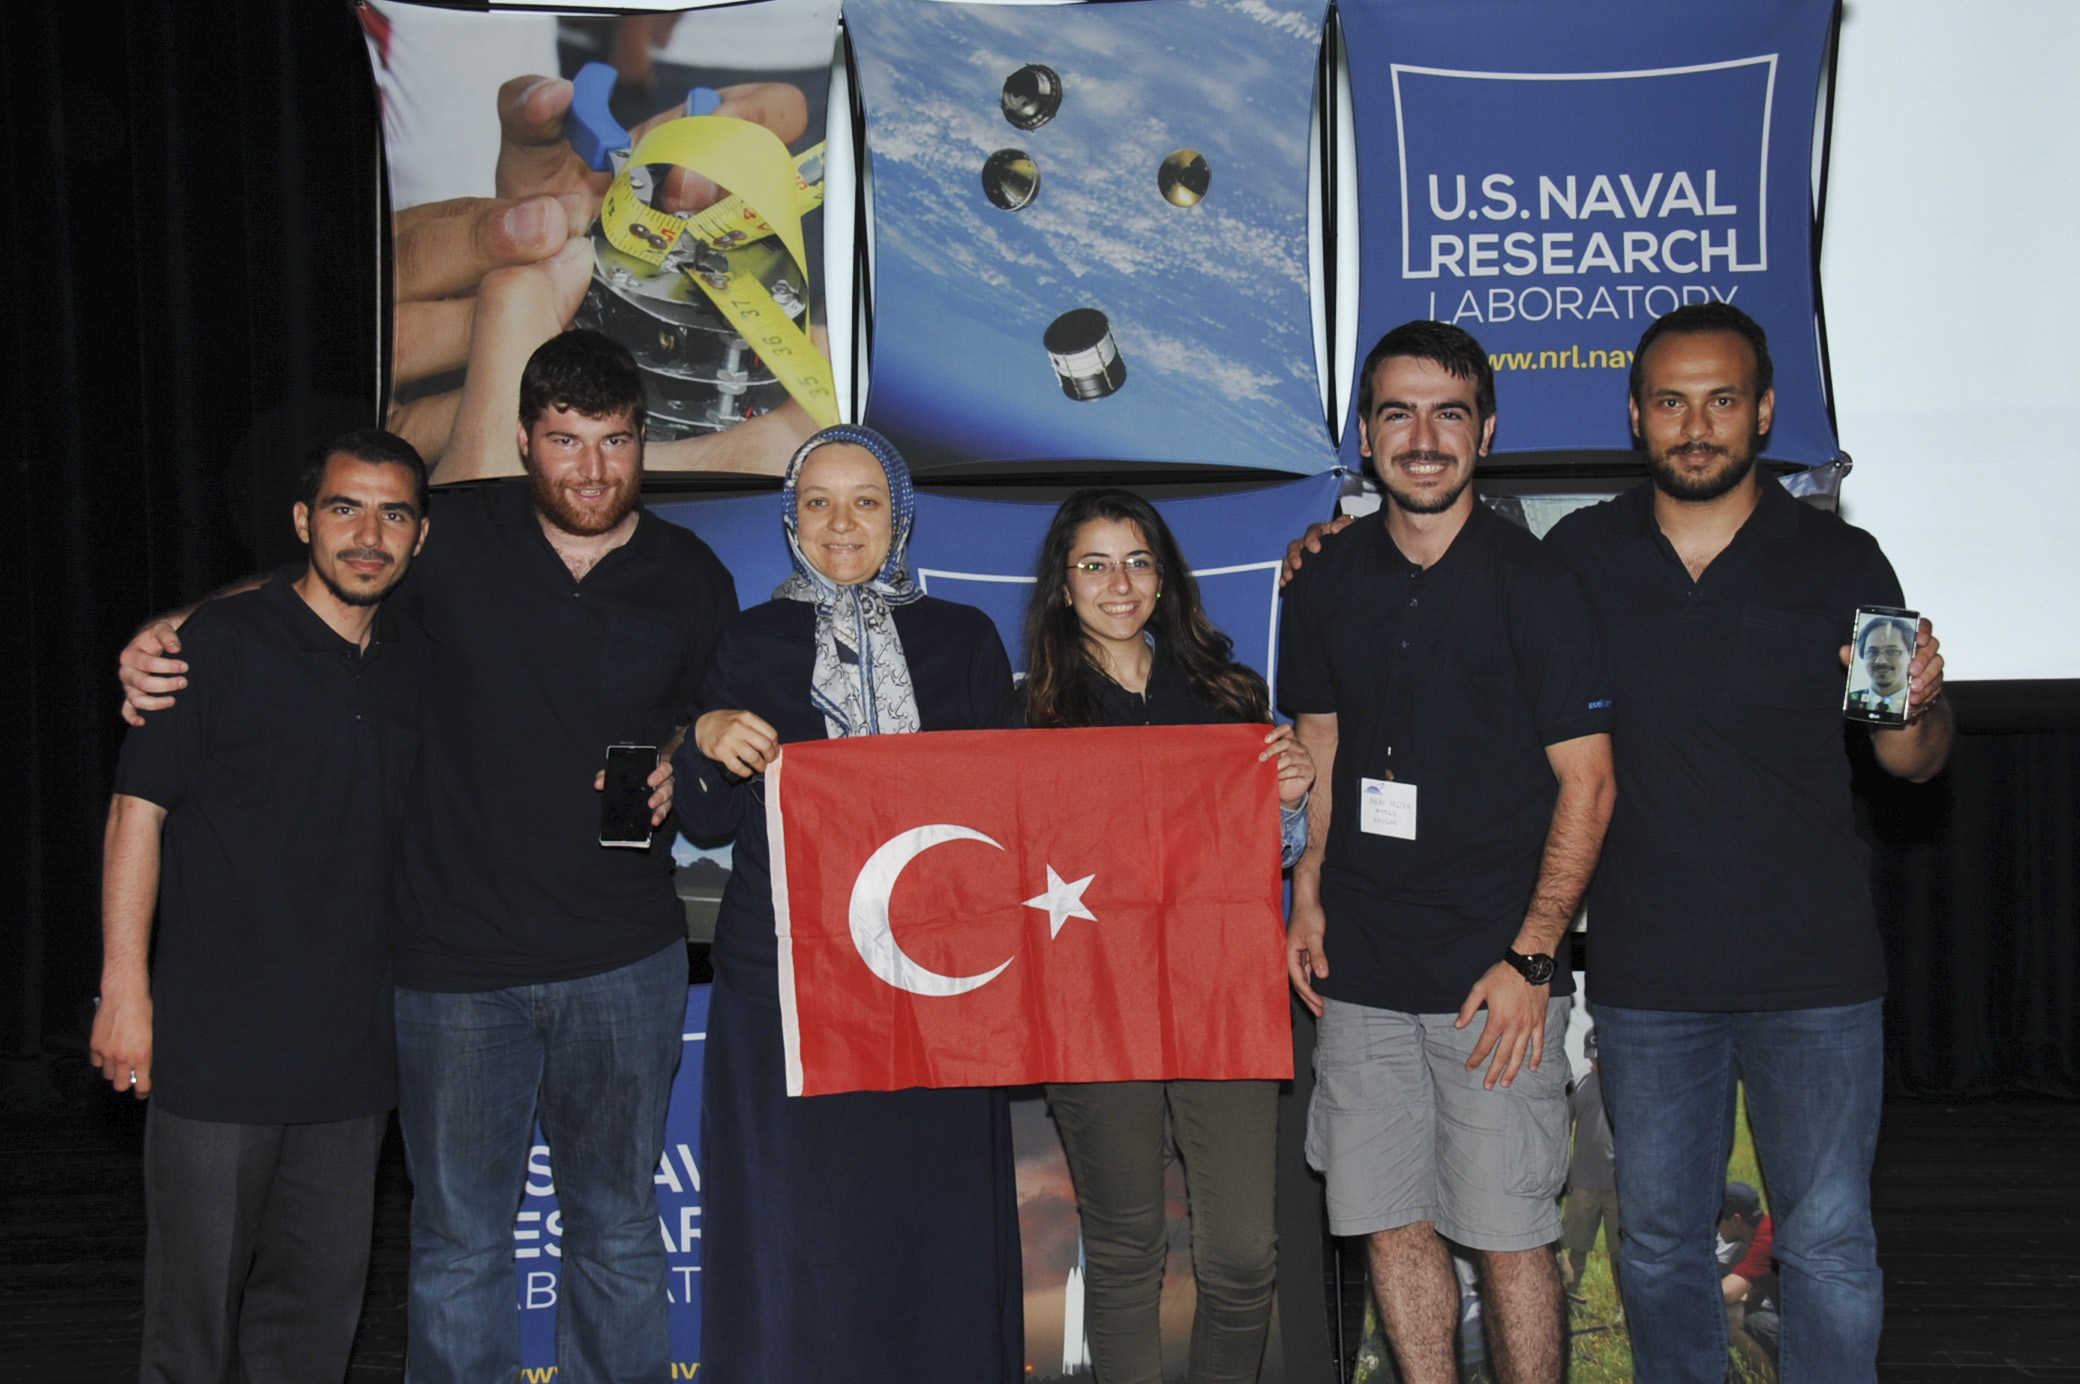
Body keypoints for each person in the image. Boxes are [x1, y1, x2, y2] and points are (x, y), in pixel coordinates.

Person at [119, 330, 737, 1383]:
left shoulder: (691, 574)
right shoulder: (451, 537)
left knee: (620, 1230)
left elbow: (704, 716)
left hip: (624, 961)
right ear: (524, 442)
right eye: (565, 440)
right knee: (458, 1246)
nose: (591, 468)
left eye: (615, 441)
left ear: (646, 441)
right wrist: (171, 629)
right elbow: (319, 585)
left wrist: (684, 750)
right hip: (452, 972)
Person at [1540, 302, 1952, 1382]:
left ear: (1764, 412)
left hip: (1815, 973)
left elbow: (1910, 762)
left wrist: (1917, 703)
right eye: (1671, 402)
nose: (1695, 426)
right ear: (1636, 415)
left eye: (1721, 400)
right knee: (1656, 1245)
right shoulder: (1577, 554)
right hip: (1647, 972)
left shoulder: (1840, 558)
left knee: (1828, 1245)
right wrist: (1332, 547)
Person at [1277, 320, 1616, 1384]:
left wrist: (1531, 959)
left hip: (1492, 980)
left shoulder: (1538, 585)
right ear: (1364, 435)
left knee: (1511, 1235)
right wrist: (1307, 889)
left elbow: (1590, 783)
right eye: (1398, 413)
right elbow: (1320, 742)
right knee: (1389, 1223)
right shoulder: (1322, 577)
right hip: (1362, 971)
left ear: (1487, 431)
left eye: (1448, 414)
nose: (1423, 438)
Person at [675, 424, 1023, 1381]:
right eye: (817, 502)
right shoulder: (747, 641)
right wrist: (702, 739)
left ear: (899, 518)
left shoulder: (963, 639)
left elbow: (1013, 815)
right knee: (797, 1224)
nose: (840, 523)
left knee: (935, 1220)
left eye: (865, 501)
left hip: (936, 984)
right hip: (784, 987)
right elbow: (704, 821)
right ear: (790, 520)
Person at [92, 430, 430, 1381]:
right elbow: (135, 811)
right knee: (190, 1332)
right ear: (302, 521)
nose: (368, 535)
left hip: (354, 1062)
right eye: (344, 509)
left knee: (312, 1332)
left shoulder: (416, 663)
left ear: (420, 536)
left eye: (393, 514)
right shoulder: (216, 645)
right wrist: (123, 990)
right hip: (215, 1053)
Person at [1003, 487, 1315, 1384]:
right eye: (1094, 564)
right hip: (1092, 1006)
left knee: (1244, 1256)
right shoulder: (1029, 714)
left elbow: (1272, 855)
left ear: (1166, 578)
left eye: (1138, 562)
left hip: (1220, 994)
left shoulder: (1228, 694)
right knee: (1127, 1246)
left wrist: (1289, 800)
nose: (1119, 583)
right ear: (1063, 584)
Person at [1559, 1027, 1620, 1310]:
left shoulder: (1626, 1081)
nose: (1597, 1060)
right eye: (1593, 1056)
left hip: (1619, 1185)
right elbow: (1562, 1128)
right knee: (1577, 1245)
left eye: (1602, 1055)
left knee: (1620, 1250)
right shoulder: (1578, 1082)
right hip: (1582, 1183)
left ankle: (1624, 1306)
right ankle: (1569, 1299)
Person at [1846, 615, 1914, 716]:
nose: (1880, 661)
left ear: (1910, 655)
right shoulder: (1849, 702)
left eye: (1892, 651)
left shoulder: (1921, 706)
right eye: (1872, 652)